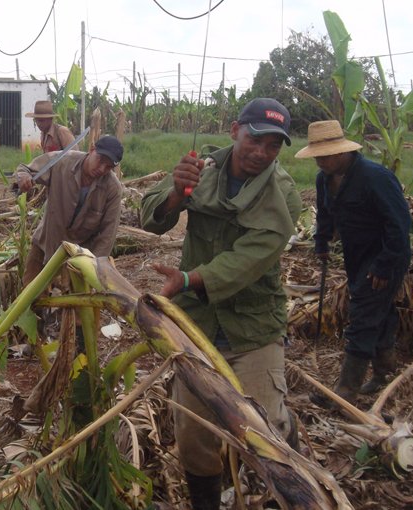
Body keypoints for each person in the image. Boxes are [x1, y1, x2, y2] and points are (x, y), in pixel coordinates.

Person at [140, 98, 302, 510]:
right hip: (196, 323)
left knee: (264, 429)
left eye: (273, 146)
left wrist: (190, 279)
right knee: (194, 432)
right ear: (235, 131)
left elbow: (246, 262)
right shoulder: (203, 168)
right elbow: (150, 218)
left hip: (252, 325)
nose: (262, 153)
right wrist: (177, 192)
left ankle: (287, 441)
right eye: (255, 140)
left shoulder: (282, 195)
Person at [296, 120, 412, 403]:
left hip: (385, 255)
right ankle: (384, 374)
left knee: (362, 316)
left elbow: (399, 225)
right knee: (379, 314)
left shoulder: (376, 177)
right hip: (356, 256)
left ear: (341, 151)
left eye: (325, 155)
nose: (320, 162)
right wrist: (321, 242)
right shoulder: (324, 178)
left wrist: (385, 265)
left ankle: (346, 392)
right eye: (317, 157)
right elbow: (325, 214)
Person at [14, 135, 124, 286]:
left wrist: (93, 268)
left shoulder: (112, 189)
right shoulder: (61, 161)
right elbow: (26, 169)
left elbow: (107, 235)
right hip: (45, 244)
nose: (102, 169)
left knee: (70, 305)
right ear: (92, 150)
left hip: (78, 257)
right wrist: (24, 178)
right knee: (30, 297)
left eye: (109, 167)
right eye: (100, 161)